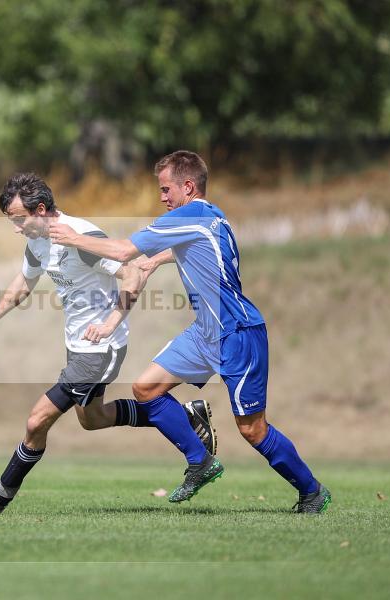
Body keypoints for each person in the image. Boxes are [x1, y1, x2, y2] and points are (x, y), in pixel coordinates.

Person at [50, 150, 331, 512]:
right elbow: (197, 244)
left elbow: (122, 251)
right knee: (146, 388)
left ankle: (311, 491)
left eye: (166, 189)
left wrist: (73, 238)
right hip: (205, 333)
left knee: (252, 429)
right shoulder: (212, 217)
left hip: (238, 334)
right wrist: (158, 259)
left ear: (188, 186)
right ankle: (200, 460)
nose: (162, 197)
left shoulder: (187, 216)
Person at [0, 172, 216, 514]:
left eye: (19, 220)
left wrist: (111, 322)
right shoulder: (37, 240)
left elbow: (132, 273)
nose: (16, 228)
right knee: (92, 419)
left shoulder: (80, 237)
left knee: (37, 420)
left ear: (40, 209)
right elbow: (24, 282)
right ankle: (182, 418)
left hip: (100, 350)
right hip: (78, 346)